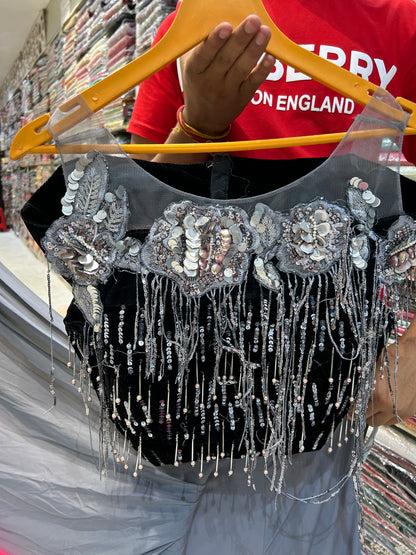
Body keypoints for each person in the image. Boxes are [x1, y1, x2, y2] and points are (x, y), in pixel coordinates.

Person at [128, 0, 416, 429]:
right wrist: (198, 126)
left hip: (336, 355)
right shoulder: (192, 26)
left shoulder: (404, 24)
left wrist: (412, 346)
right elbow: (135, 218)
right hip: (186, 346)